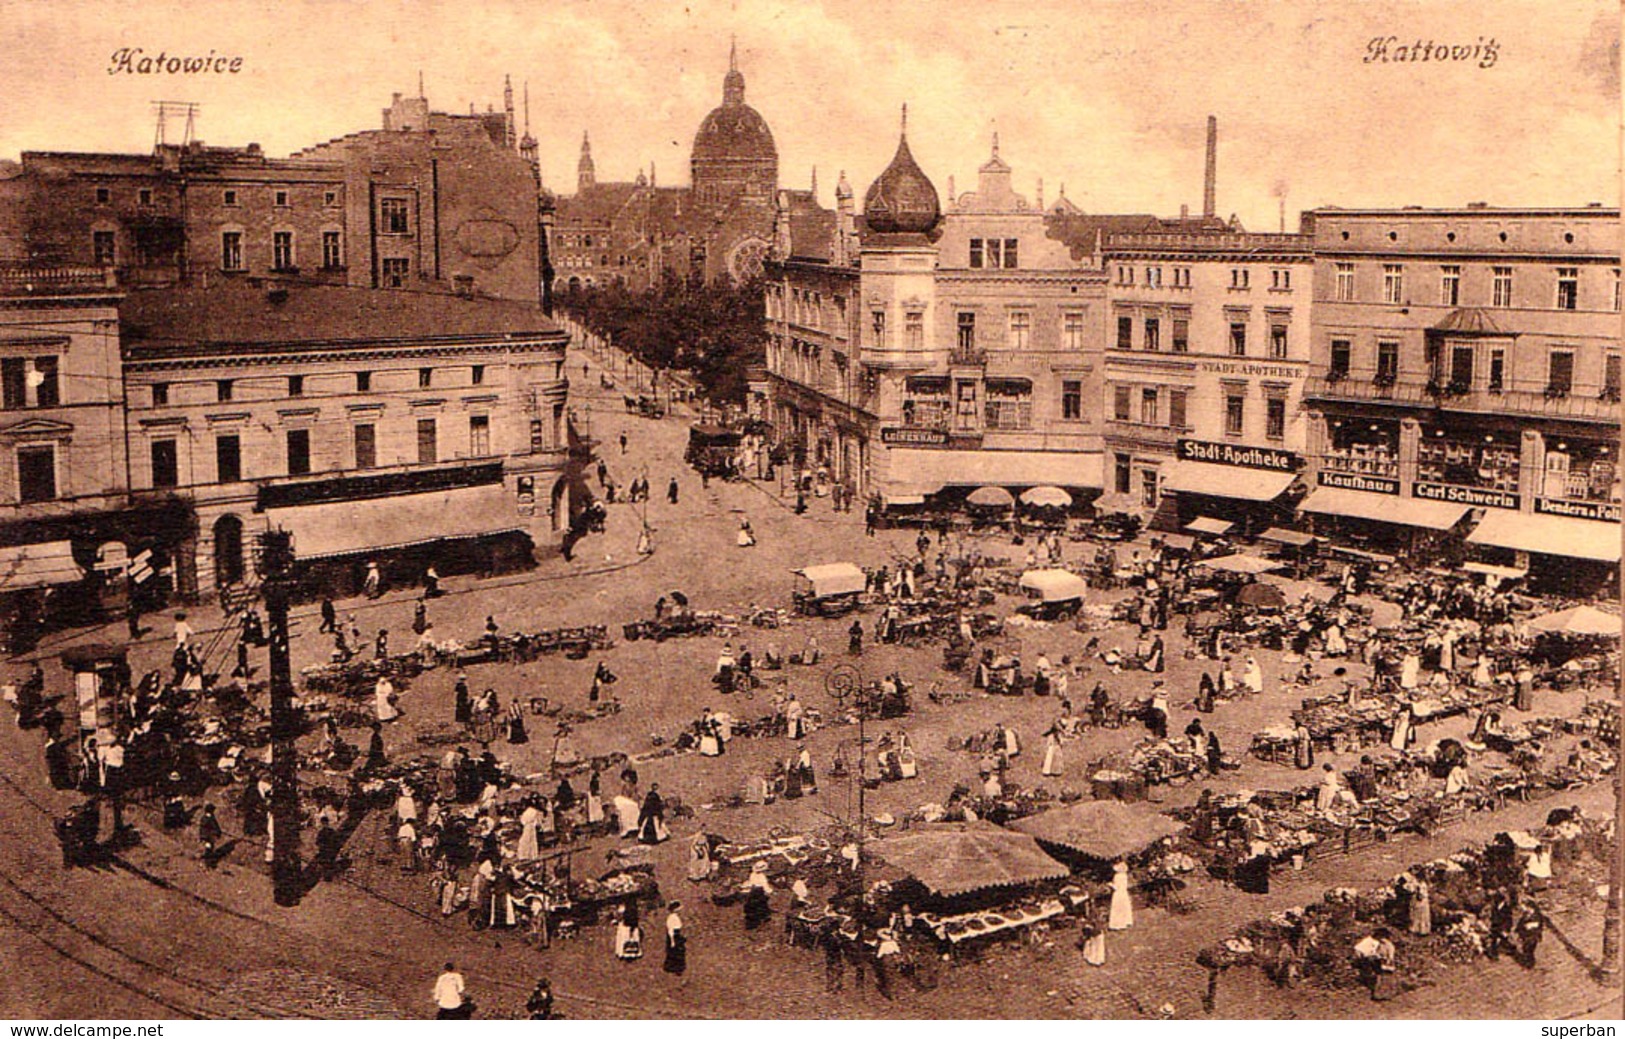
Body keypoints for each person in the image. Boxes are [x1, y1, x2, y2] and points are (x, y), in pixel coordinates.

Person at [1352, 930, 1398, 1002]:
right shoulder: (1368, 940)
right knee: (1377, 976)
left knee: (1382, 976)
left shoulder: (1382, 943)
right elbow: (1358, 949)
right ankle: (1376, 993)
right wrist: (1361, 958)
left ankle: (1381, 993)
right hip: (1369, 960)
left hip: (1377, 960)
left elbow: (1388, 952)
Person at [1108, 862, 1134, 930]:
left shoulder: (1117, 876)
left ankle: (1117, 924)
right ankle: (1126, 922)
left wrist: (1110, 884)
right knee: (1124, 907)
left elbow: (1116, 887)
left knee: (1118, 908)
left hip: (1118, 893)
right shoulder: (1124, 875)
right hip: (1124, 893)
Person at [664, 901, 687, 975]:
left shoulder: (675, 917)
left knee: (678, 951)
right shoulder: (672, 918)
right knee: (675, 952)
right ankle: (674, 968)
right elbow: (671, 930)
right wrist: (672, 941)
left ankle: (676, 967)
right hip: (674, 936)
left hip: (677, 935)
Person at [197, 803, 223, 867]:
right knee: (208, 850)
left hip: (208, 837)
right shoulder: (209, 818)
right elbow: (213, 827)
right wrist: (217, 832)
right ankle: (207, 864)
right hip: (208, 837)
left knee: (209, 849)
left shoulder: (206, 818)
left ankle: (207, 863)